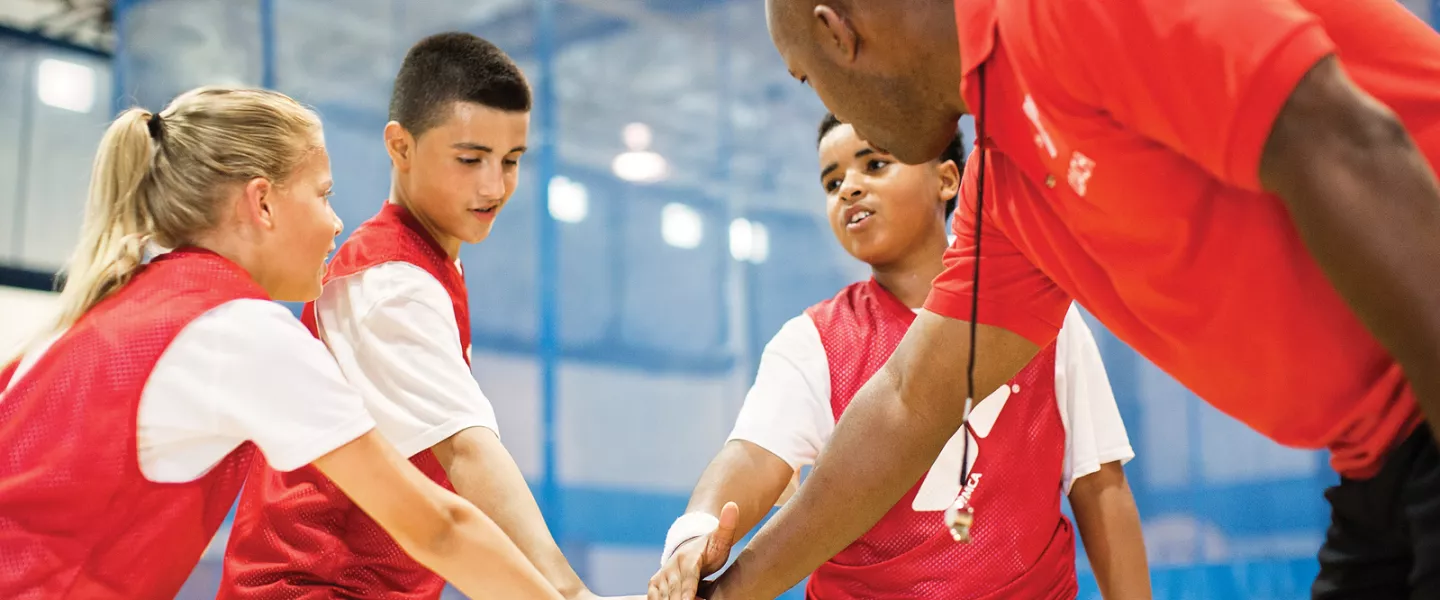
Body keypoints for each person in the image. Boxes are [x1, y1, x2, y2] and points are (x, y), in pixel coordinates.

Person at [703, 0, 1440, 597]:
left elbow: (1341, 137)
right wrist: (727, 591)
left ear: (838, 32)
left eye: (807, 79)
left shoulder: (1056, 13)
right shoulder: (1010, 187)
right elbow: (908, 400)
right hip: (1379, 461)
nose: (846, 152)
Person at [0, 87, 564, 600]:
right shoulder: (239, 330)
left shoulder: (95, 312)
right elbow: (438, 527)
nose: (336, 221)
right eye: (323, 194)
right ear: (262, 202)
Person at [647, 114, 1149, 600]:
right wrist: (697, 532)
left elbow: (1098, 484)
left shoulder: (1045, 319)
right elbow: (753, 454)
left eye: (875, 164)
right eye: (831, 181)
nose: (849, 188)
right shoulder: (812, 341)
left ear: (948, 180)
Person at [219, 33, 613, 600]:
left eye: (511, 161)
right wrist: (568, 593)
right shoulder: (388, 284)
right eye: (470, 159)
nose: (494, 185)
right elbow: (468, 454)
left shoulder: (425, 267)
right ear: (400, 147)